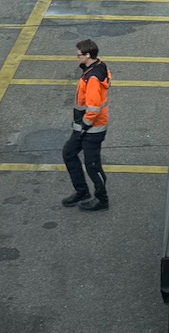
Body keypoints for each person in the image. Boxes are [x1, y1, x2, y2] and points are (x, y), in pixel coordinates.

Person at [62, 38, 111, 211]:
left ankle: (102, 199)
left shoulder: (93, 79)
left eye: (79, 55)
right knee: (68, 153)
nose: (77, 58)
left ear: (88, 55)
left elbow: (94, 109)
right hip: (86, 127)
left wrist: (83, 126)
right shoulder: (97, 66)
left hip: (92, 129)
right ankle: (82, 191)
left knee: (92, 165)